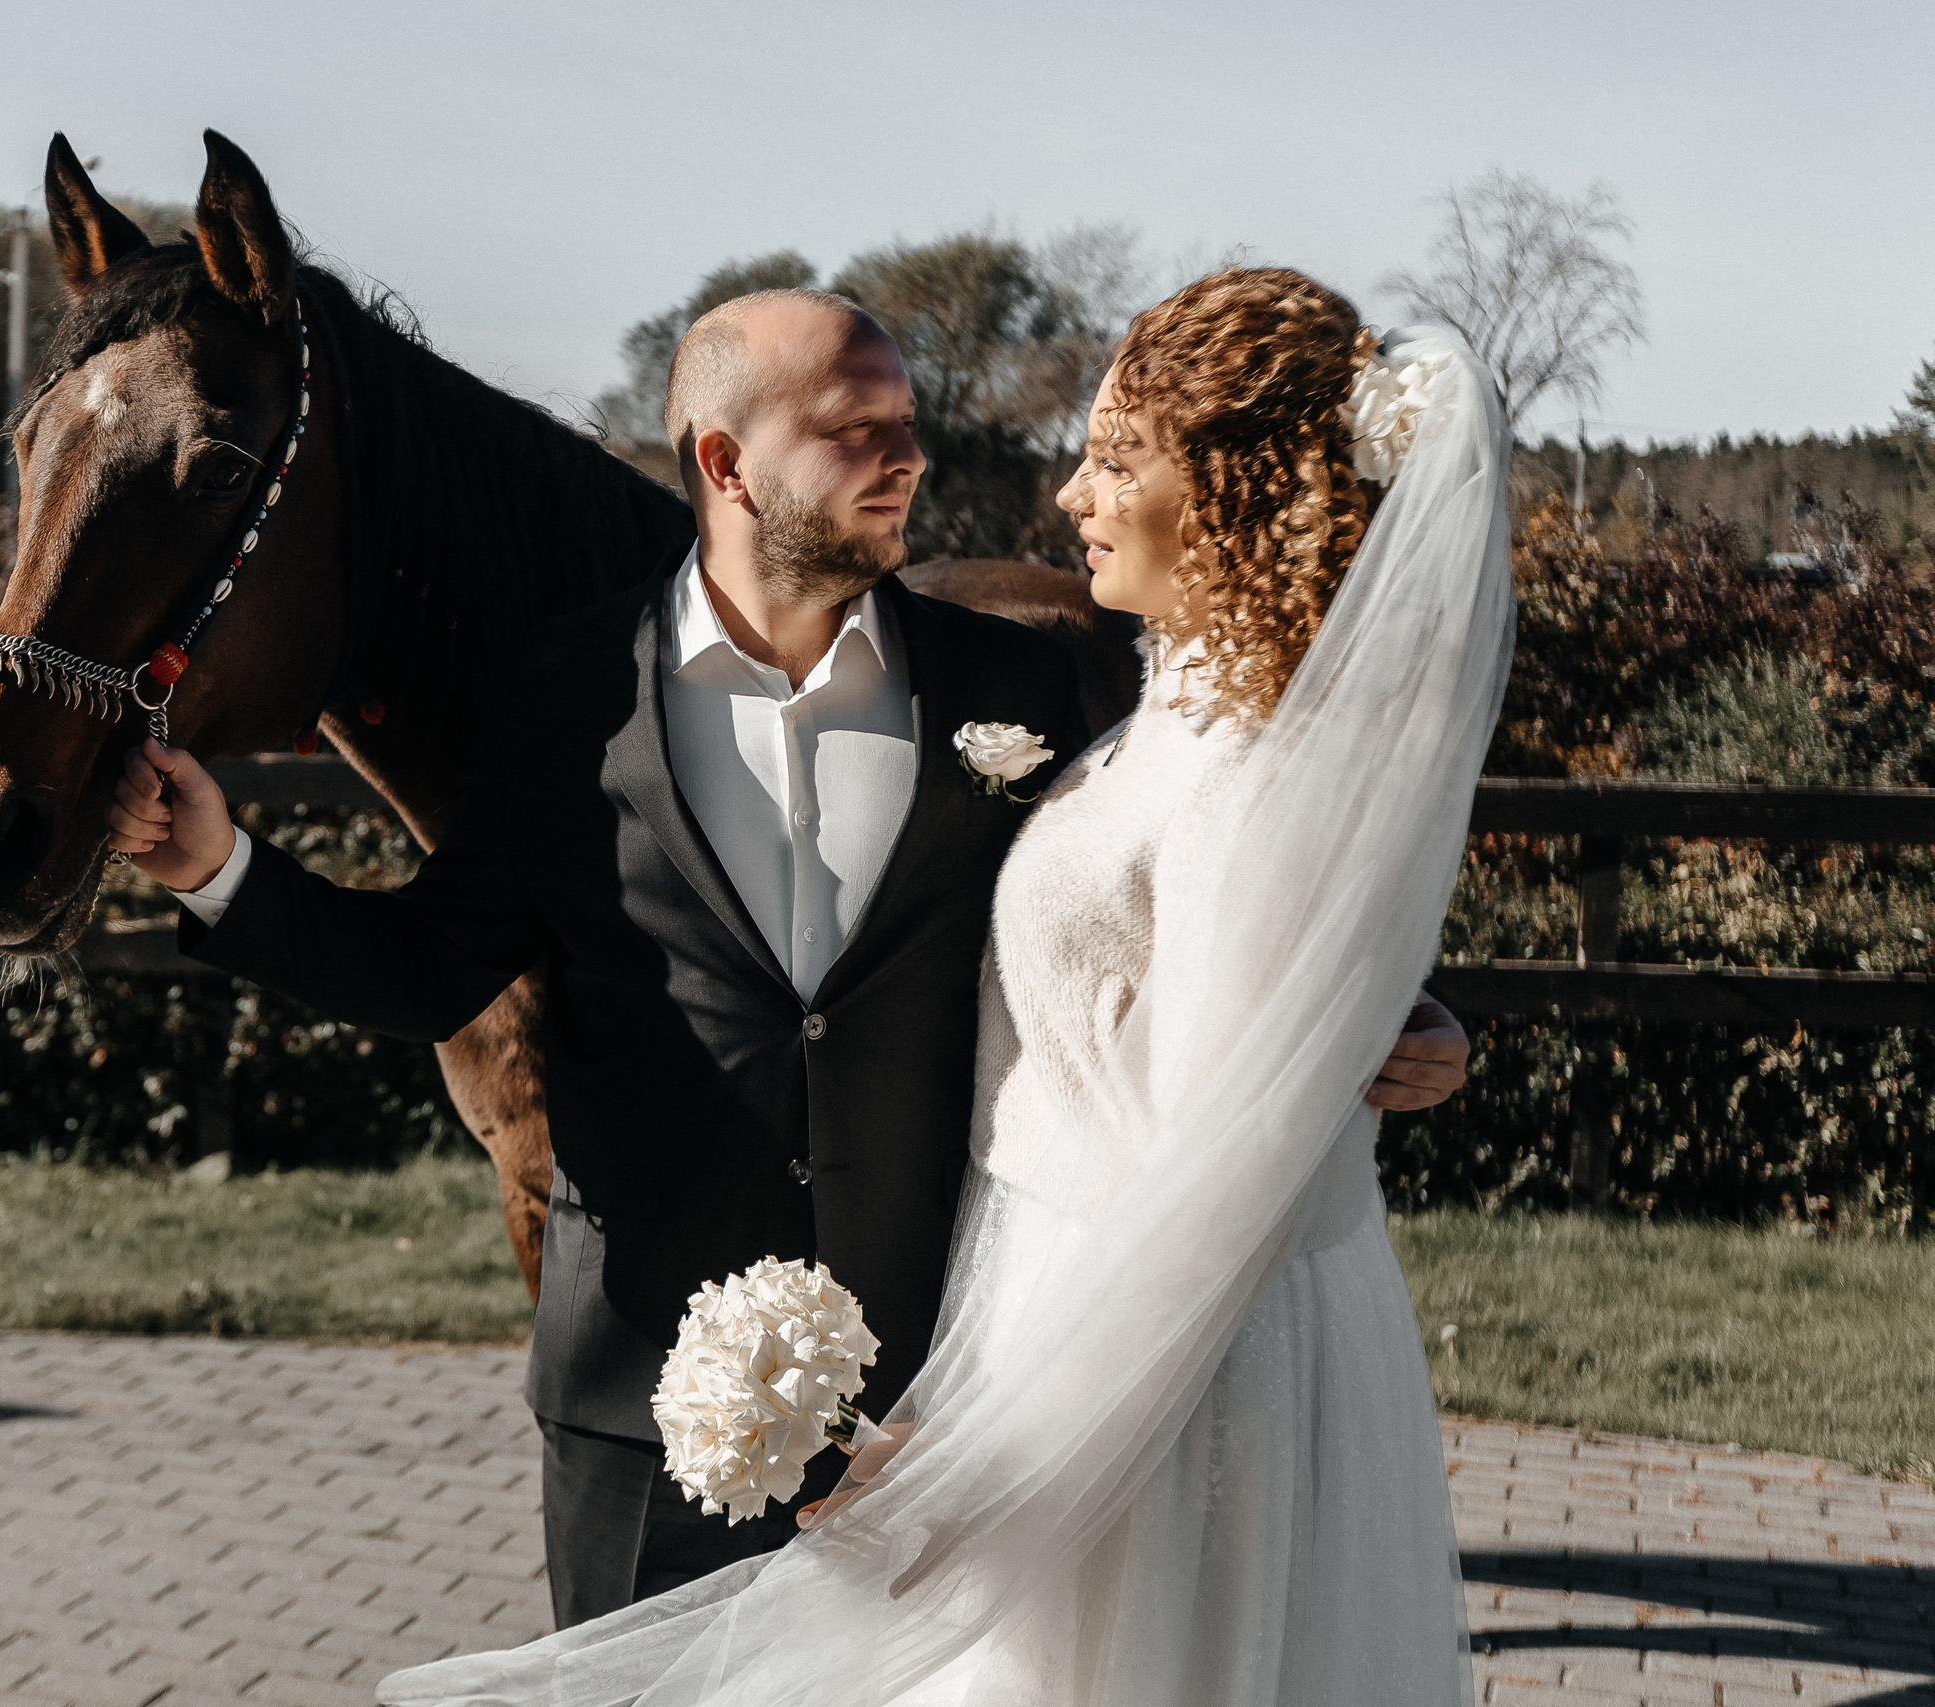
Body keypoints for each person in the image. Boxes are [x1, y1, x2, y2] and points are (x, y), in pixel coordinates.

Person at [105, 285, 1474, 1640]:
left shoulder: (1024, 688)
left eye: (909, 423)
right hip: (643, 1403)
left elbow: (1211, 890)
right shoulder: (560, 695)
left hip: (950, 1393)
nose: (908, 456)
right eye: (854, 426)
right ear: (725, 465)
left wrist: (1377, 1016)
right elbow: (428, 968)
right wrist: (220, 870)